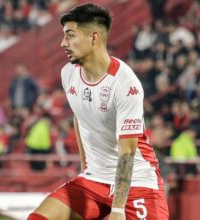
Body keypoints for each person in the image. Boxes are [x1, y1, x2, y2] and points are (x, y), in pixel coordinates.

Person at [28, 4, 168, 220]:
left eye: (70, 35)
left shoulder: (125, 83)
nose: (63, 43)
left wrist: (118, 209)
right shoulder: (68, 74)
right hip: (94, 181)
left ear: (94, 38)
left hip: (137, 184)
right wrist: (85, 167)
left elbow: (127, 152)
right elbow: (80, 115)